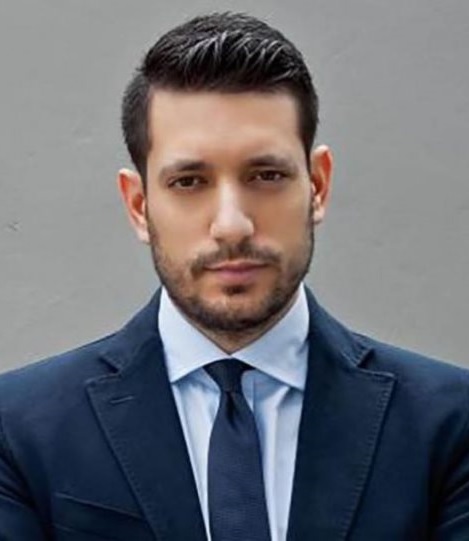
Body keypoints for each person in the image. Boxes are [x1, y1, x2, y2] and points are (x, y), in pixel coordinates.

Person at [0, 11, 468, 541]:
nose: (232, 225)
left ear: (317, 186)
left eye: (266, 175)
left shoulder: (451, 423)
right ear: (138, 205)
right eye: (189, 181)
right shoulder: (19, 429)